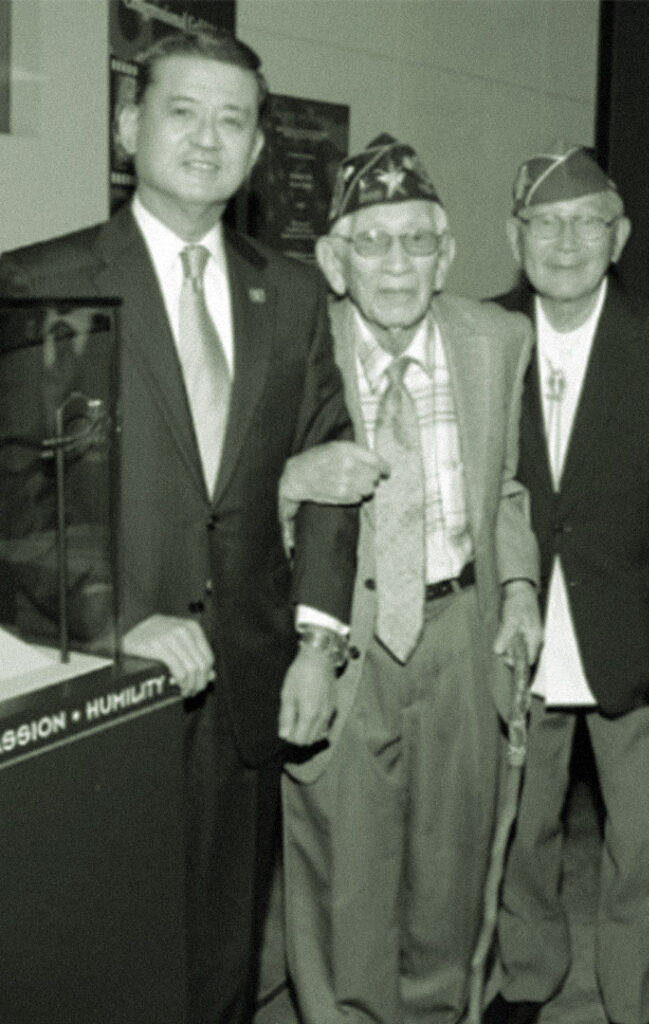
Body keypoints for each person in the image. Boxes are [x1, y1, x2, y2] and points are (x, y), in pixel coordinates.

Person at [0, 31, 360, 1024]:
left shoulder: (290, 296)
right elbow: (18, 506)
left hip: (244, 683)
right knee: (95, 956)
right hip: (90, 687)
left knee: (219, 963)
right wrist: (116, 619)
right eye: (182, 111)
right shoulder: (41, 281)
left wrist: (321, 646)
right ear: (129, 126)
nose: (208, 137)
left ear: (253, 156)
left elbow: (333, 466)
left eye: (232, 120)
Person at [278, 132, 543, 1024]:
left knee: (450, 866)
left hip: (461, 632)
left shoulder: (497, 340)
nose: (397, 264)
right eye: (372, 241)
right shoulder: (292, 346)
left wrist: (519, 589)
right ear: (333, 261)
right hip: (340, 640)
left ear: (448, 255)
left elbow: (504, 486)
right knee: (342, 875)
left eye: (417, 241)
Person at [483, 145, 649, 1024]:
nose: (567, 240)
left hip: (640, 624)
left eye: (588, 222)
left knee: (643, 839)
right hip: (519, 625)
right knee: (521, 827)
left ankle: (637, 997)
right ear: (516, 236)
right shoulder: (483, 335)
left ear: (618, 237)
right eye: (546, 223)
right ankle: (530, 973)